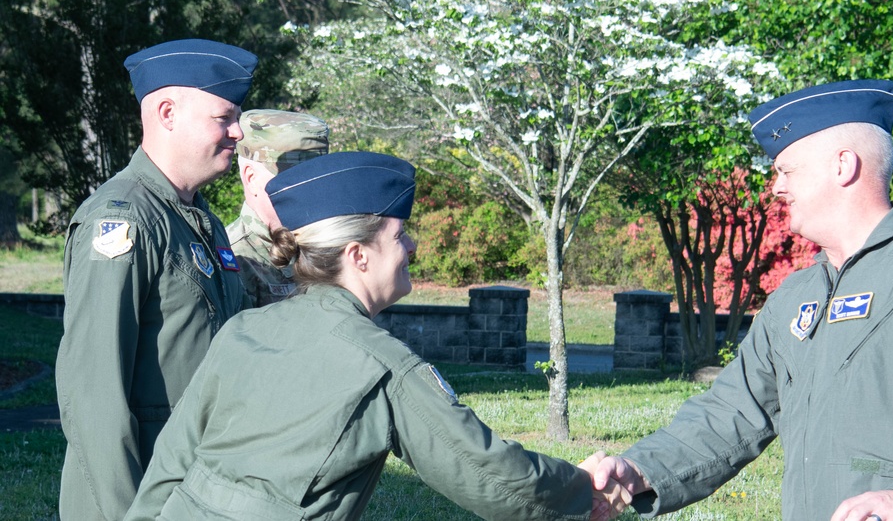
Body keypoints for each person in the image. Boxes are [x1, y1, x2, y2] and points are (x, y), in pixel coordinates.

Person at [588, 79, 893, 521]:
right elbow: (731, 411)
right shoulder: (795, 297)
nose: (776, 188)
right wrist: (639, 469)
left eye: (787, 170)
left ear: (844, 165)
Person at [123, 150, 599, 521]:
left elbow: (170, 462)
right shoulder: (382, 365)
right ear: (359, 255)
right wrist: (589, 488)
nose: (412, 245)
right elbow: (494, 478)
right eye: (399, 234)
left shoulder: (243, 329)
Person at [56, 38, 256, 521]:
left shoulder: (198, 219)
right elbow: (94, 396)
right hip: (140, 499)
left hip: (192, 490)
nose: (237, 133)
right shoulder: (123, 219)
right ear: (167, 112)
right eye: (224, 117)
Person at [226, 108, 329, 306]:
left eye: (314, 179)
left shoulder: (326, 246)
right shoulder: (235, 257)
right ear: (251, 178)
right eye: (291, 180)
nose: (307, 190)